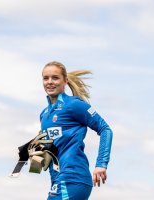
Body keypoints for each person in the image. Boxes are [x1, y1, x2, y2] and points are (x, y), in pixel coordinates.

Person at [40, 61, 113, 200]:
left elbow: (105, 129)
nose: (49, 82)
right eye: (46, 78)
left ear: (65, 81)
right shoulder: (44, 114)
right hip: (58, 180)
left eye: (55, 78)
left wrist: (101, 164)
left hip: (73, 177)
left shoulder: (74, 104)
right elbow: (52, 150)